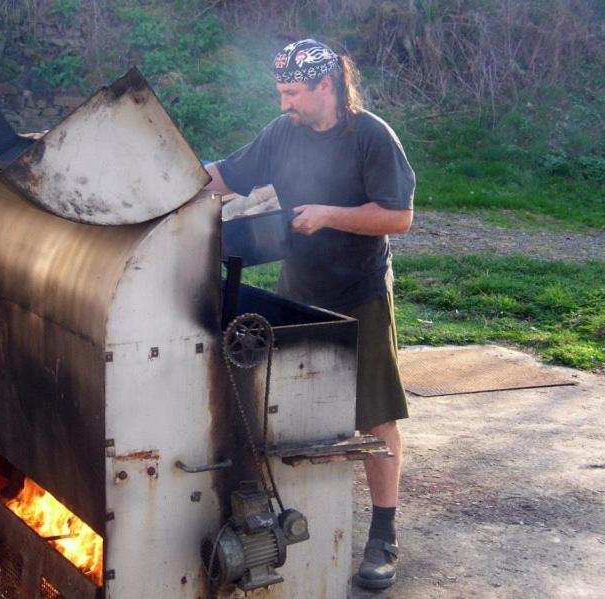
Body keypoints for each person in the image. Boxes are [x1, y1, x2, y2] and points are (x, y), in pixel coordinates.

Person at [204, 38, 415, 590]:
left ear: (327, 85)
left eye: (293, 93)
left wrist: (328, 215)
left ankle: (383, 535)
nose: (284, 103)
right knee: (287, 408)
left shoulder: (372, 136)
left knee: (374, 415)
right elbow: (227, 175)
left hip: (360, 291)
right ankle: (294, 521)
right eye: (281, 92)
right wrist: (168, 177)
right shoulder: (283, 133)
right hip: (298, 289)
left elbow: (398, 217)